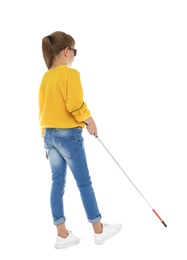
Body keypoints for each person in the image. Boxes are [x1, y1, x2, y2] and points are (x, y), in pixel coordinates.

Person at [38, 31, 122, 249]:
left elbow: (42, 111)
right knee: (84, 183)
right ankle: (99, 230)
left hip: (50, 135)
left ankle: (62, 235)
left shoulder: (46, 77)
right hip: (68, 136)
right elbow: (74, 105)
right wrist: (90, 120)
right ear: (66, 51)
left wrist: (45, 140)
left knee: (57, 183)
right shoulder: (70, 74)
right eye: (74, 51)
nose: (74, 55)